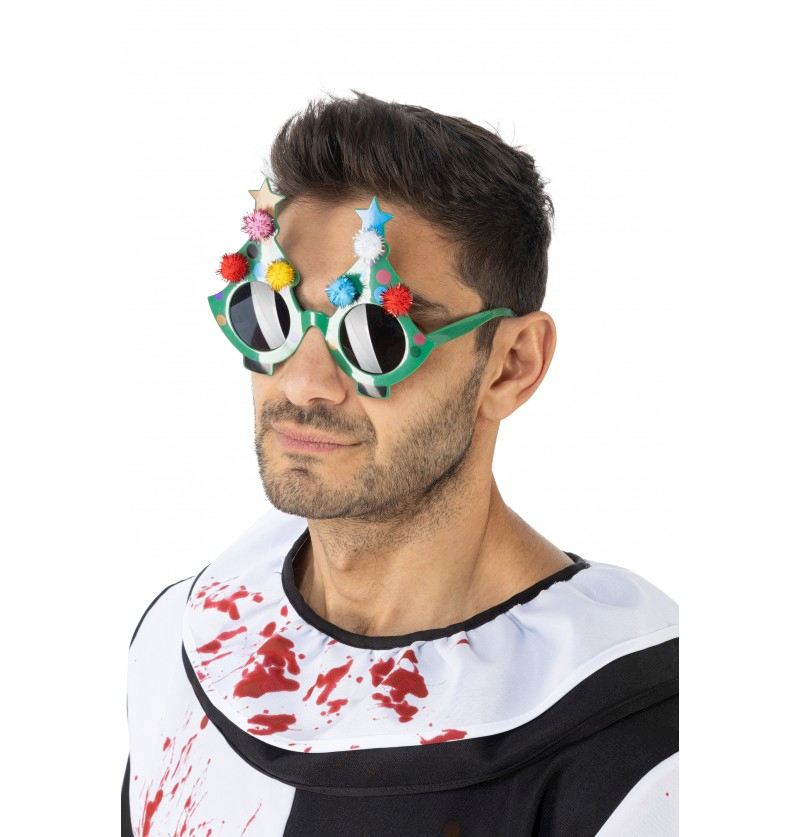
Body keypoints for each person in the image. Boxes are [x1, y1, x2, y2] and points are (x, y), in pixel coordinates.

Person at [123, 91, 678, 837]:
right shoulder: (184, 642)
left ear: (512, 365)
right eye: (270, 315)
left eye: (376, 334)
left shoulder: (640, 745)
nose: (303, 383)